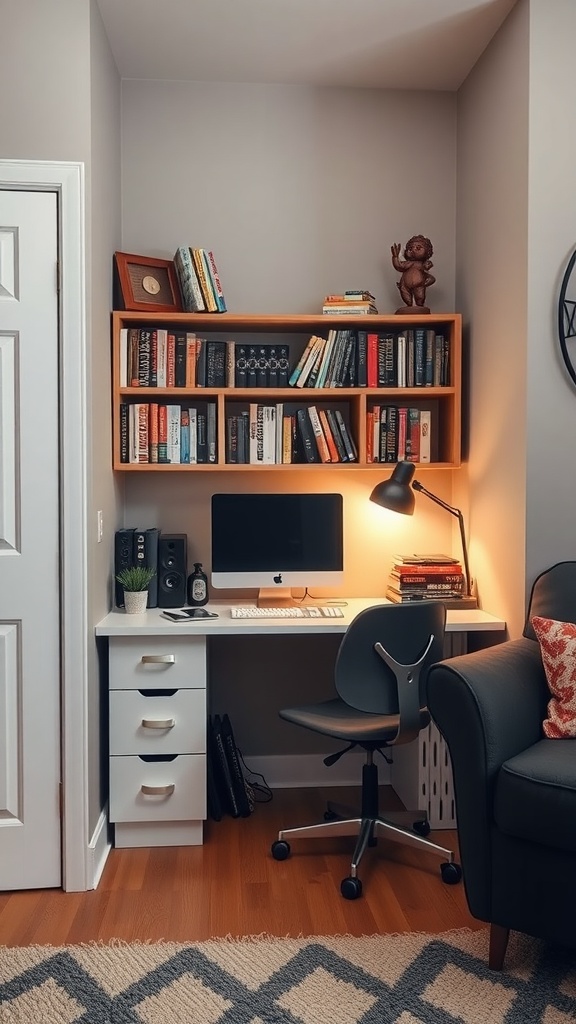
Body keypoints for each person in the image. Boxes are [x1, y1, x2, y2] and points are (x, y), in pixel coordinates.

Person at [391, 235, 435, 309]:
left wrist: (428, 267)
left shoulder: (421, 264)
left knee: (420, 298)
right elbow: (399, 266)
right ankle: (409, 305)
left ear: (427, 251)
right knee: (406, 297)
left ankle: (420, 306)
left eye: (418, 248)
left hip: (419, 284)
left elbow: (427, 268)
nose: (413, 250)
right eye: (410, 248)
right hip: (404, 285)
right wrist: (395, 257)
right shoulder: (408, 263)